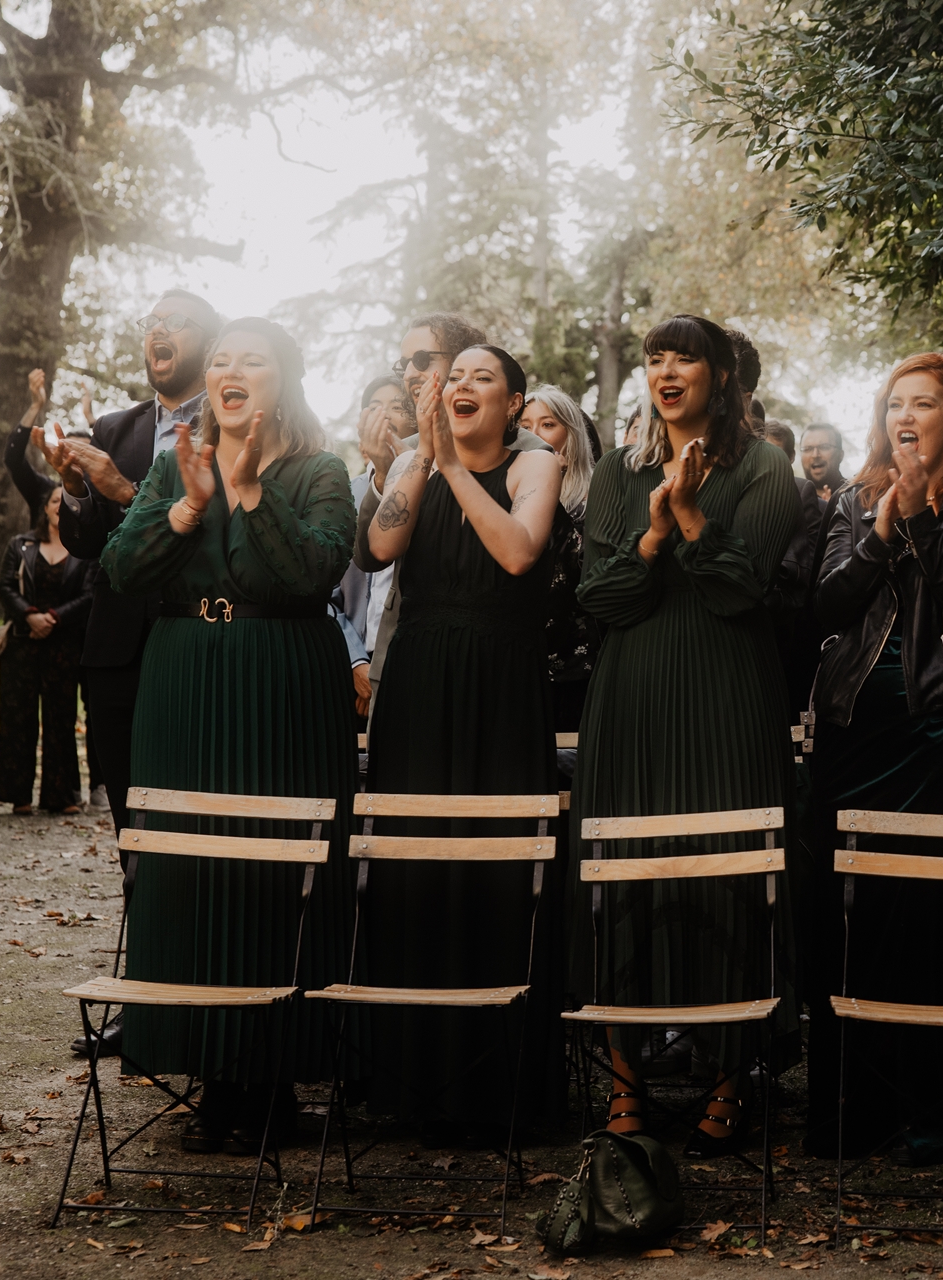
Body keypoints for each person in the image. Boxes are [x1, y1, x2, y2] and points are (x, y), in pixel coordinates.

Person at [99, 316, 359, 1154]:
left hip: (280, 683)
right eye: (221, 361)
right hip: (183, 682)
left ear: (285, 378)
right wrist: (188, 508)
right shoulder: (178, 463)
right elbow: (121, 570)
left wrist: (249, 492)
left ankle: (274, 1079)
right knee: (191, 869)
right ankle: (210, 1079)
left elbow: (310, 574)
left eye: (251, 359)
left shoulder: (321, 470)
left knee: (276, 877)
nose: (230, 370)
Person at [572, 313, 800, 1155]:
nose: (667, 370)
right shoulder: (614, 472)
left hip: (726, 698)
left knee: (728, 879)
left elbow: (743, 594)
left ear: (721, 375)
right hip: (630, 699)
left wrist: (697, 516)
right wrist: (656, 530)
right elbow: (598, 597)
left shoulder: (769, 469)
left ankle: (728, 1082)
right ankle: (625, 1089)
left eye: (685, 358)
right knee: (623, 882)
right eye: (655, 357)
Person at [801, 353, 943, 1164]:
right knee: (843, 923)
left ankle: (926, 1108)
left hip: (940, 735)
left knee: (927, 922)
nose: (905, 416)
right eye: (895, 403)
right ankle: (843, 1112)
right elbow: (822, 606)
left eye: (923, 404)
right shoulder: (854, 502)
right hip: (853, 731)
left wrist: (925, 521)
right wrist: (880, 532)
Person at [356, 344, 564, 1142]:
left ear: (513, 402)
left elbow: (517, 551)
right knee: (415, 867)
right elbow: (377, 547)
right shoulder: (416, 457)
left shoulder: (532, 462)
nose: (463, 386)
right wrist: (421, 461)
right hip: (417, 683)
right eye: (456, 377)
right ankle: (413, 1082)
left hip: (499, 685)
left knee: (494, 866)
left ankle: (498, 1085)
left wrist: (451, 468)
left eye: (484, 378)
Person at [46, 288, 220, 848]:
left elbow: (218, 530)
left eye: (176, 322)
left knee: (198, 801)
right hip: (117, 647)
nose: (157, 330)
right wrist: (75, 491)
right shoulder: (115, 430)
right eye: (151, 321)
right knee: (130, 815)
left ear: (211, 342)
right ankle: (141, 914)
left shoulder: (232, 427)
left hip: (202, 637)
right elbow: (90, 543)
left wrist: (124, 491)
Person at [354, 313, 491, 718]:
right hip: (405, 655)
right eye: (404, 365)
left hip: (490, 657)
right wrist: (382, 472)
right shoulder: (407, 452)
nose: (410, 374)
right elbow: (368, 556)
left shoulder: (524, 451)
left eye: (421, 359)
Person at [7, 368, 106, 810]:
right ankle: (22, 793)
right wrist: (35, 407)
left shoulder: (107, 489)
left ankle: (94, 785)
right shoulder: (48, 492)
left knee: (85, 711)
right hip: (35, 631)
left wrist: (92, 415)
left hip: (83, 623)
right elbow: (14, 459)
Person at [0, 484, 94, 815]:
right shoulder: (20, 544)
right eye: (55, 500)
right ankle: (18, 795)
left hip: (64, 645)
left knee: (61, 720)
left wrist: (52, 618)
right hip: (22, 645)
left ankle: (61, 795)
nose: (60, 506)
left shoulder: (84, 549)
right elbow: (6, 586)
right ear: (46, 508)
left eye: (66, 502)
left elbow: (89, 594)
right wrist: (30, 615)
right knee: (17, 719)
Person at [519, 385, 602, 733]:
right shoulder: (504, 492)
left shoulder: (597, 495)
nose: (535, 436)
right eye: (525, 426)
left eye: (548, 424)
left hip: (579, 672)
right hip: (520, 667)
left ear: (572, 434)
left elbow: (583, 580)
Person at [334, 376, 416, 718]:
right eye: (373, 406)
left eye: (397, 406)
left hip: (413, 666)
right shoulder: (339, 493)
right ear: (359, 427)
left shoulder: (435, 490)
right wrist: (355, 662)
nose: (384, 414)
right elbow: (319, 592)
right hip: (345, 669)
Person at [762, 419, 829, 712]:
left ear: (789, 458)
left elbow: (809, 564)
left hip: (787, 624)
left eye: (775, 454)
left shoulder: (801, 490)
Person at [800, 422, 846, 503]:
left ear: (840, 455)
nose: (815, 455)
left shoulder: (856, 496)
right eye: (807, 449)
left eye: (824, 447)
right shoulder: (792, 498)